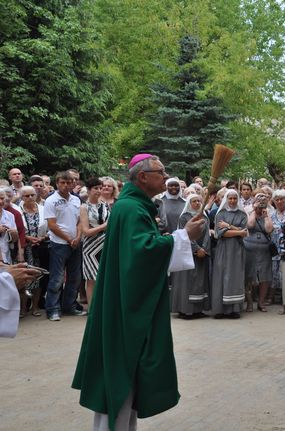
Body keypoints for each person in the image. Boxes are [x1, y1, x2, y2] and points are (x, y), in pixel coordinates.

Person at [72, 154, 205, 430]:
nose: (165, 175)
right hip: (125, 308)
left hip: (121, 300)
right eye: (160, 171)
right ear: (142, 176)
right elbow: (141, 253)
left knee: (126, 380)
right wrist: (184, 237)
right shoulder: (132, 209)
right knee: (122, 375)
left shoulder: (133, 205)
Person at [43, 171, 84, 321]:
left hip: (75, 243)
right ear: (57, 183)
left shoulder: (76, 200)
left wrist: (78, 237)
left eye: (68, 182)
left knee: (75, 277)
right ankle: (53, 308)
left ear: (73, 183)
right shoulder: (51, 201)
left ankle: (69, 306)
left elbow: (80, 221)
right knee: (57, 277)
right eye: (62, 183)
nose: (66, 185)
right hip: (59, 244)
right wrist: (68, 239)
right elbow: (52, 225)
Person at [208, 189, 248, 319]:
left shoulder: (242, 214)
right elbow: (220, 233)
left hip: (237, 250)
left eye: (234, 198)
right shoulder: (220, 213)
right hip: (223, 249)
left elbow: (245, 232)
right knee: (221, 276)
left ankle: (234, 309)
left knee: (235, 277)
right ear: (226, 199)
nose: (232, 201)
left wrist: (229, 226)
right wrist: (238, 231)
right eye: (230, 198)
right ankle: (220, 309)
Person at [170, 194, 210, 319]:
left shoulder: (204, 217)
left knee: (200, 282)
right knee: (187, 282)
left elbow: (208, 235)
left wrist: (204, 248)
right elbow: (184, 234)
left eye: (199, 201)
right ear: (189, 203)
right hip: (188, 253)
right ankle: (185, 310)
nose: (197, 203)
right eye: (194, 201)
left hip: (202, 255)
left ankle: (198, 309)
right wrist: (197, 249)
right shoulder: (184, 217)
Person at [79, 178, 110, 308]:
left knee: (104, 277)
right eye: (95, 188)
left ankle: (103, 307)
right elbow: (86, 231)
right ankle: (92, 310)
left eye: (100, 188)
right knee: (91, 279)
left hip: (105, 243)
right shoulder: (83, 207)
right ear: (89, 190)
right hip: (90, 247)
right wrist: (105, 226)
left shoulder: (105, 205)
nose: (98, 191)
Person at [18, 186, 47, 317]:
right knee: (24, 277)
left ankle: (35, 307)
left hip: (41, 247)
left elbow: (51, 225)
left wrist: (43, 237)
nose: (30, 198)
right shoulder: (18, 210)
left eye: (32, 195)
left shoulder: (43, 208)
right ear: (21, 197)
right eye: (26, 196)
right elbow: (17, 229)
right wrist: (28, 238)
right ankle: (23, 308)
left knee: (38, 277)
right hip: (24, 248)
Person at [244, 193, 274, 312]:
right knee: (249, 275)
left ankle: (261, 302)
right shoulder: (247, 211)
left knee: (264, 276)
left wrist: (266, 216)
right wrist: (253, 211)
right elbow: (250, 225)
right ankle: (250, 302)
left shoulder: (268, 213)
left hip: (264, 250)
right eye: (259, 201)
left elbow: (269, 229)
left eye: (263, 201)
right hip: (249, 249)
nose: (261, 204)